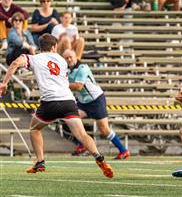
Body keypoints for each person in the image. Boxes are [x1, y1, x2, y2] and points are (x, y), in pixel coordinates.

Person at [0, 34, 114, 178]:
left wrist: (4, 83)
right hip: (68, 101)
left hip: (49, 103)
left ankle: (40, 162)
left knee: (34, 128)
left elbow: (16, 63)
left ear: (40, 47)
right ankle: (100, 158)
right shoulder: (62, 60)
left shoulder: (35, 58)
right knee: (82, 134)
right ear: (54, 47)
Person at [63, 49, 130, 159]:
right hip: (83, 102)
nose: (69, 59)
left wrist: (61, 85)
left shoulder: (82, 68)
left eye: (71, 56)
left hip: (96, 100)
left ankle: (123, 151)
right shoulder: (66, 70)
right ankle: (83, 145)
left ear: (76, 57)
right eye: (66, 58)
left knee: (104, 129)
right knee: (71, 119)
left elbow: (78, 86)